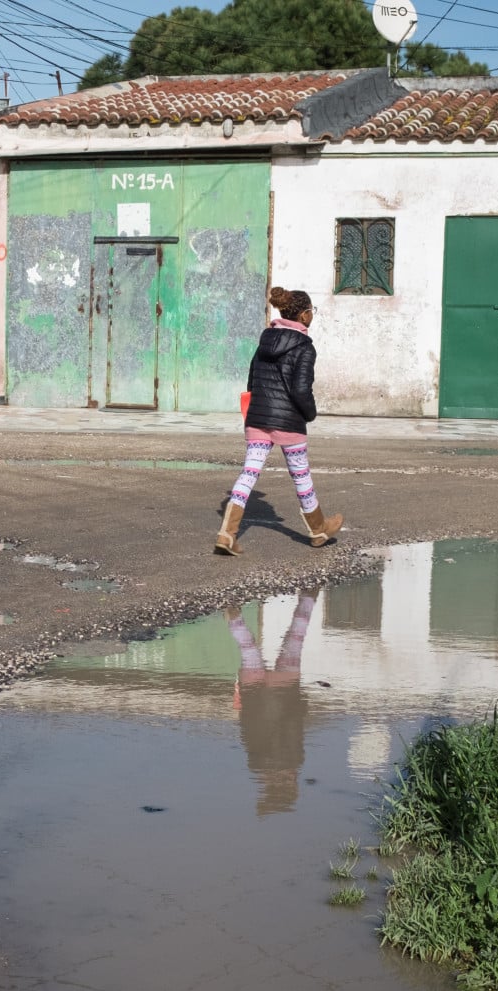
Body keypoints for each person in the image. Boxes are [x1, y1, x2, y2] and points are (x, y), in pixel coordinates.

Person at [216, 286, 344, 554]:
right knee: (301, 475)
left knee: (249, 473)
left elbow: (252, 379)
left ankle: (227, 533)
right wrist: (309, 413)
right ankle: (318, 528)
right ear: (305, 315)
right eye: (312, 312)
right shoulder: (305, 347)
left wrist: (257, 409)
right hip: (289, 422)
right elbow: (301, 389)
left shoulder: (265, 340)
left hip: (259, 418)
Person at [228, 592, 318, 817]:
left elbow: (294, 723)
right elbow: (247, 727)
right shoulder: (257, 764)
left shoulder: (295, 759)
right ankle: (233, 614)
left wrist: (301, 702)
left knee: (295, 639)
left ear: (292, 785)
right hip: (256, 697)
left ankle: (309, 597)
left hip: (285, 691)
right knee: (248, 650)